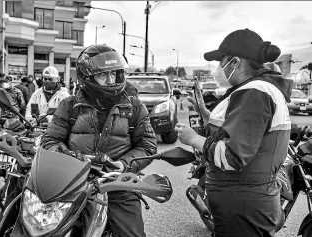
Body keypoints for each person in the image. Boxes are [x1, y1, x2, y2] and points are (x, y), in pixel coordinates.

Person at [175, 29, 293, 237]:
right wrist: (206, 116)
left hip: (243, 206)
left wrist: (194, 139)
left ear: (236, 62)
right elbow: (241, 133)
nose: (219, 68)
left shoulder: (254, 93)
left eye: (222, 62)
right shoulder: (258, 90)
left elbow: (233, 156)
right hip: (246, 202)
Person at [40, 45, 157, 237]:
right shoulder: (69, 106)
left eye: (114, 74)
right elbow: (49, 141)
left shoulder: (135, 107)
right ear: (87, 77)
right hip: (73, 182)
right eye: (103, 75)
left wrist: (124, 164)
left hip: (118, 183)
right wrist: (67, 156)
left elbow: (148, 145)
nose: (111, 80)